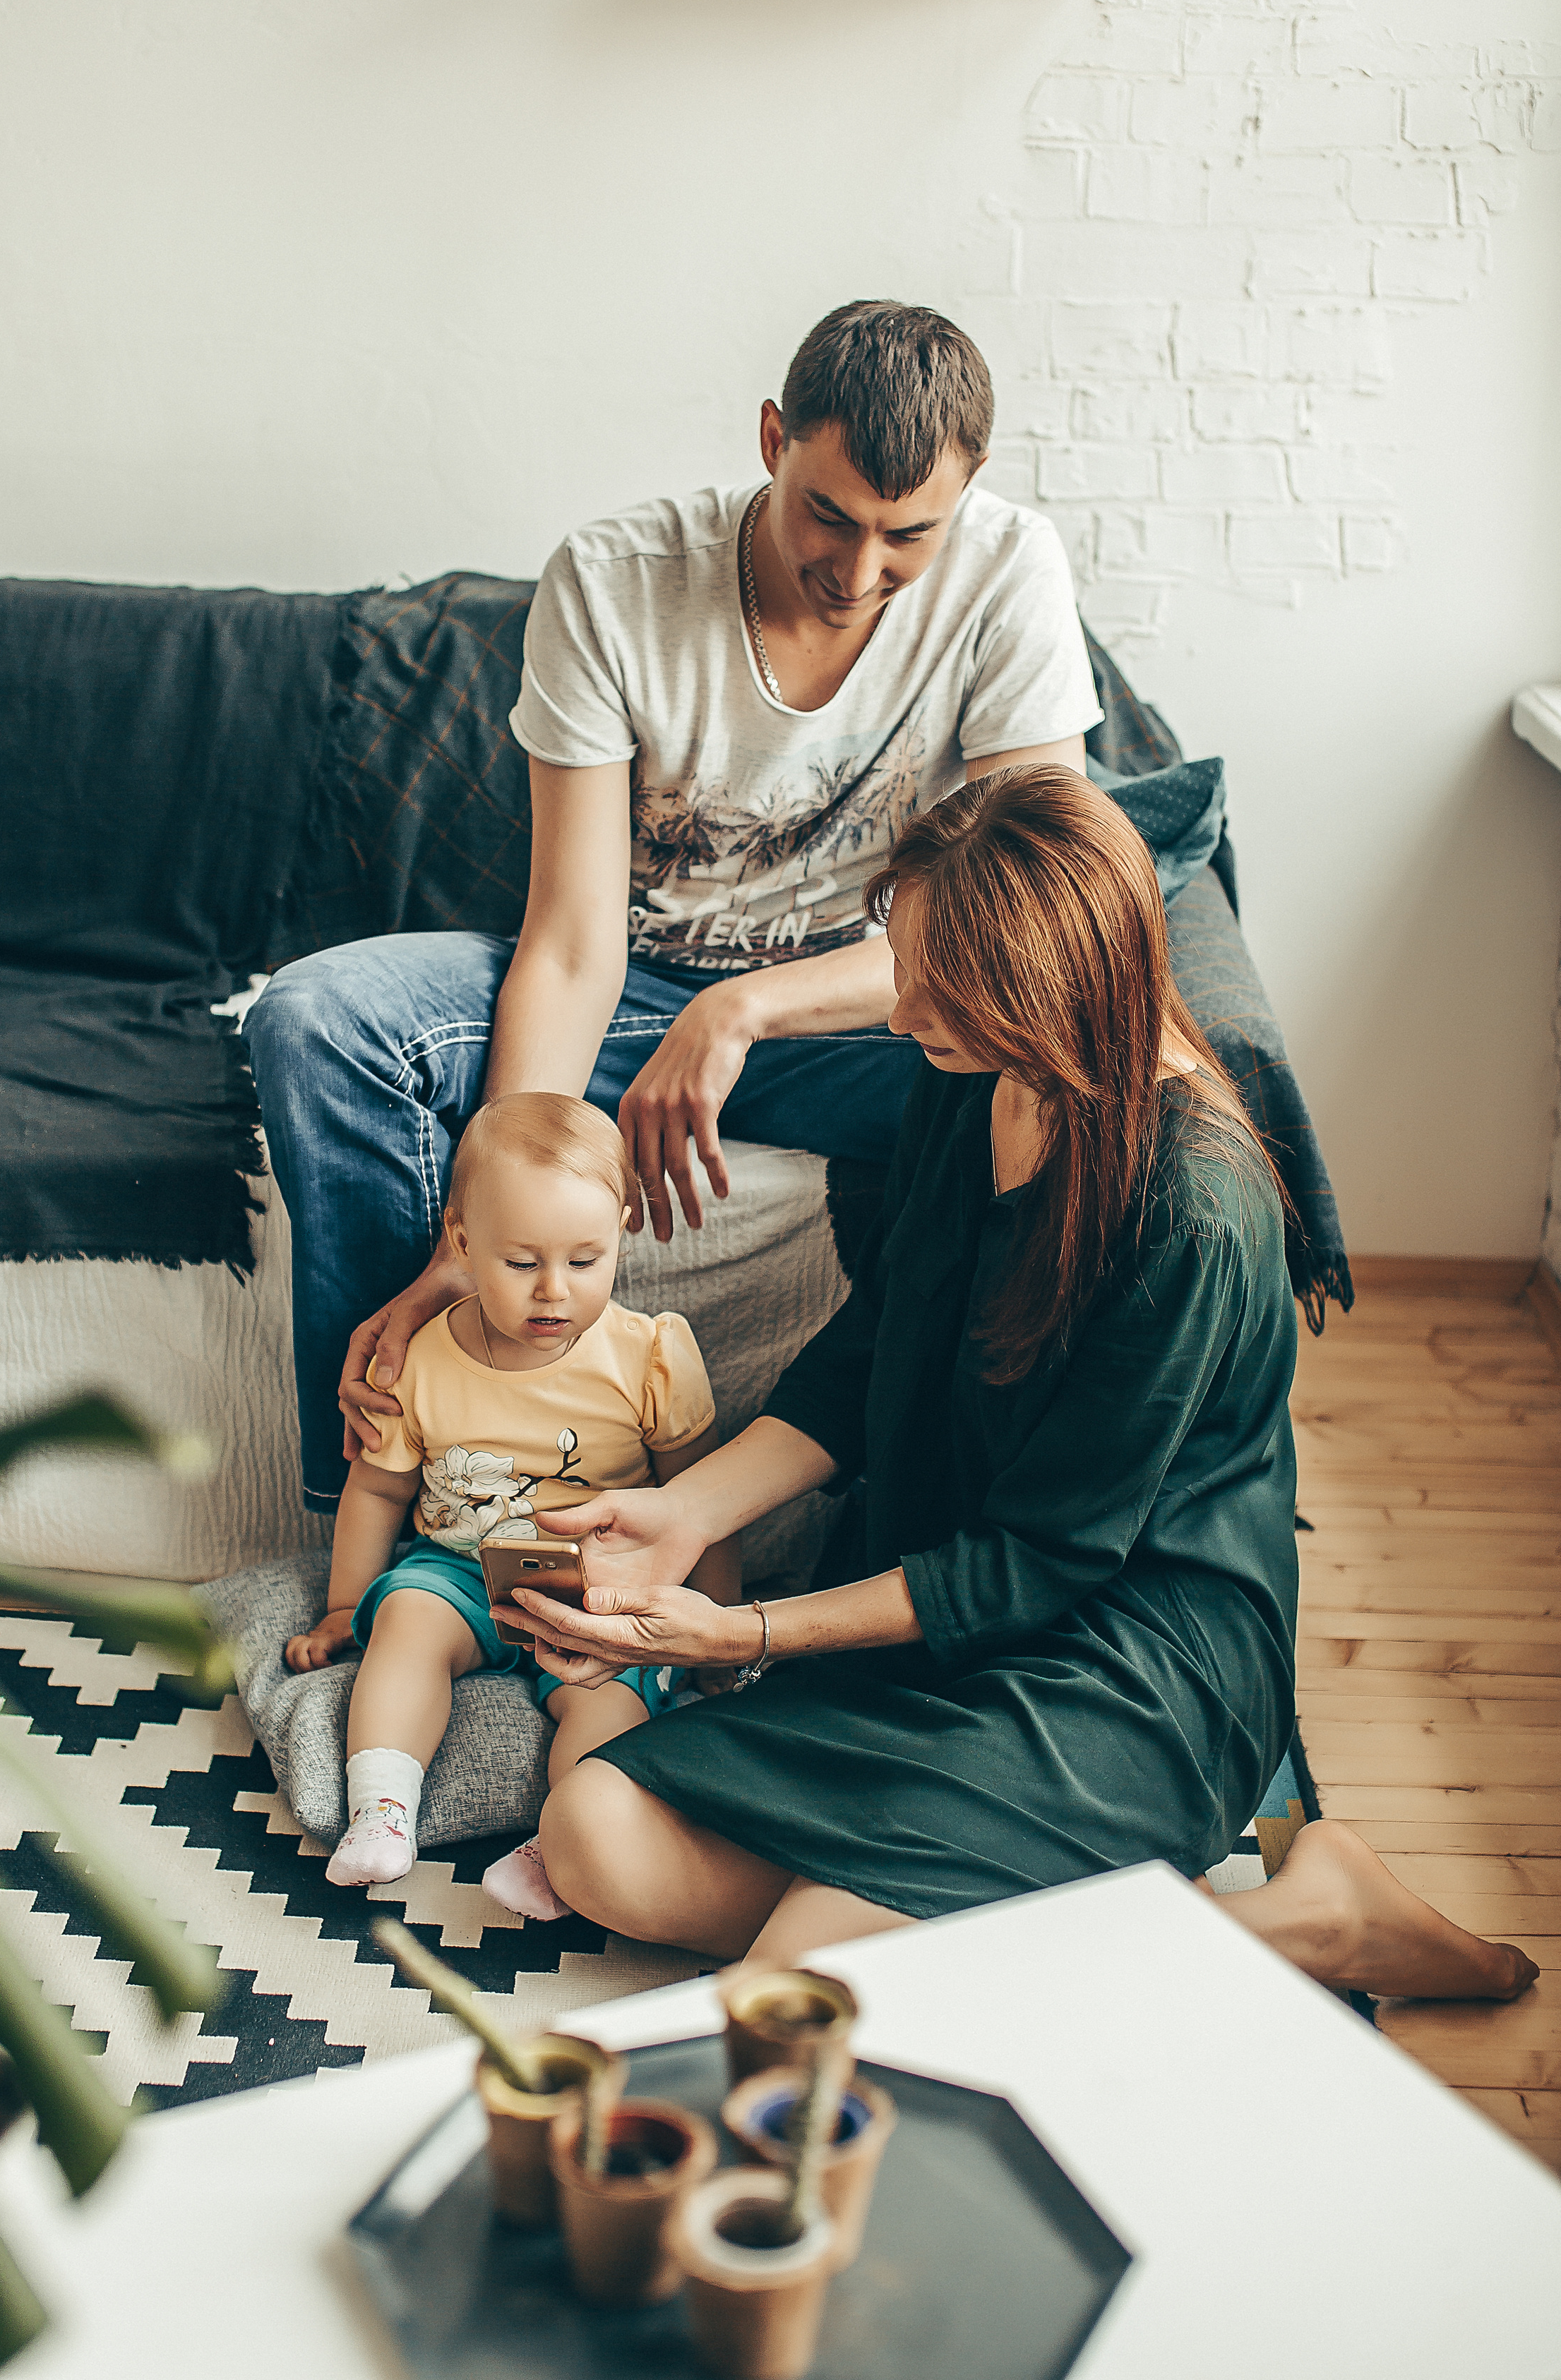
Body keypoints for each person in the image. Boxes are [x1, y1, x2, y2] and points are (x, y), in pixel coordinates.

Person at [506, 773, 1539, 2009]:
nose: (903, 1013)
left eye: (943, 985)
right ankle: (993, 1907)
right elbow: (876, 1345)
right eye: (908, 965)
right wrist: (688, 1513)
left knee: (801, 1978)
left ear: (1051, 981)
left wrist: (748, 1633)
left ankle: (1314, 1919)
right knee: (596, 1837)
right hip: (942, 1603)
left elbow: (1042, 1561)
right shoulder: (972, 1072)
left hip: (1129, 1661)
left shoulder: (1193, 1210)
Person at [244, 300, 1104, 1513]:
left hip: (878, 1010)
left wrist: (745, 1010)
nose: (861, 573)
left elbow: (1026, 932)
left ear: (968, 489)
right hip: (633, 990)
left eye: (909, 535)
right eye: (829, 516)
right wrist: (469, 1242)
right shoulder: (613, 582)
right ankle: (373, 1526)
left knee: (1066, 1060)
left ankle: (945, 1533)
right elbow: (573, 942)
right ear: (773, 441)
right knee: (316, 1019)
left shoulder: (1009, 571)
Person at [281, 1092, 725, 1918]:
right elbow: (378, 1487)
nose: (553, 1292)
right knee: (405, 1629)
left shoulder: (651, 1355)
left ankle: (559, 1845)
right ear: (461, 1241)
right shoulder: (420, 1358)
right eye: (521, 1264)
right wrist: (346, 1605)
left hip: (599, 1583)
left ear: (623, 1229)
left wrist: (717, 1623)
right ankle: (381, 1808)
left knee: (609, 1700)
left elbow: (702, 1500)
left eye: (585, 1261)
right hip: (458, 1566)